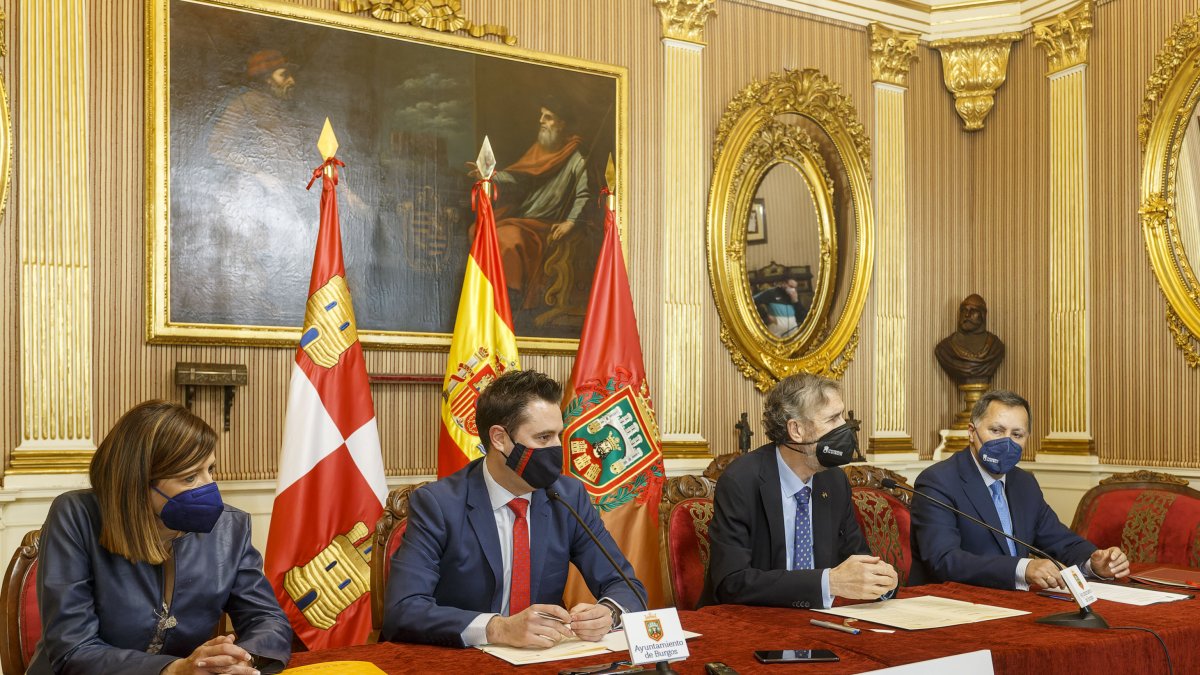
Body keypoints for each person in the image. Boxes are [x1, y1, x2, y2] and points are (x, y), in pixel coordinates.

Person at [380, 369, 645, 648]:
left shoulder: (568, 496)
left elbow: (627, 586)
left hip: (544, 660)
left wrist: (609, 613)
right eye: (543, 438)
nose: (557, 449)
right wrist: (498, 628)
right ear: (499, 439)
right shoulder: (438, 504)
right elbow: (403, 610)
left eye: (558, 436)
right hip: (464, 660)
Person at [28, 401, 291, 674]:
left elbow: (267, 619)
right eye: (189, 478)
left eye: (210, 470)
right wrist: (173, 670)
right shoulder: (75, 516)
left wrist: (238, 660)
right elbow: (73, 649)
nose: (210, 488)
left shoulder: (229, 528)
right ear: (138, 483)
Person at [699, 373, 898, 609]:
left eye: (843, 416)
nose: (846, 427)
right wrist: (827, 582)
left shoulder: (834, 481)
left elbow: (857, 561)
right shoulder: (741, 481)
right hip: (754, 624)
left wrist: (882, 582)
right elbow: (732, 583)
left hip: (819, 625)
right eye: (833, 419)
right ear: (796, 430)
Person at [910, 390, 1130, 590]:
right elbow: (944, 561)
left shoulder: (1024, 483)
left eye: (1017, 435)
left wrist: (1094, 562)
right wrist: (1023, 569)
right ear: (971, 432)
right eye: (996, 431)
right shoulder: (938, 481)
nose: (1007, 442)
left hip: (1016, 605)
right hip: (954, 605)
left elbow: (1059, 541)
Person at [469, 97, 591, 312]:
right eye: (541, 116)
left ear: (561, 124)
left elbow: (583, 195)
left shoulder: (576, 159)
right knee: (478, 230)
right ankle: (485, 298)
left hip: (543, 225)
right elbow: (518, 176)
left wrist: (570, 223)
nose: (541, 121)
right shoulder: (538, 151)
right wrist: (490, 177)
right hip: (524, 218)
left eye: (548, 117)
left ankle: (507, 301)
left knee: (506, 240)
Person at [934, 294, 1006, 384]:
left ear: (983, 315)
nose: (967, 315)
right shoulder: (944, 349)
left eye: (973, 311)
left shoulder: (996, 347)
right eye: (964, 310)